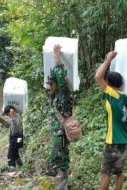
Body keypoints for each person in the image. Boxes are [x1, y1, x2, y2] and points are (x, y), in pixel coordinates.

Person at [95, 51, 127, 190]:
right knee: (119, 172)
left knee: (106, 173)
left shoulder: (112, 96)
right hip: (125, 141)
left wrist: (108, 58)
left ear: (109, 85)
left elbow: (98, 77)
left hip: (113, 141)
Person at [45, 44, 73, 190]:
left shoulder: (63, 95)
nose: (50, 87)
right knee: (60, 158)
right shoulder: (55, 97)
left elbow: (61, 79)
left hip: (61, 134)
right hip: (58, 134)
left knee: (61, 160)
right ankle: (62, 185)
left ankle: (63, 187)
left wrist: (57, 57)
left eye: (52, 84)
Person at [0, 103, 23, 168]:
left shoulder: (17, 117)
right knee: (15, 152)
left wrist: (12, 117)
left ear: (11, 111)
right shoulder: (15, 116)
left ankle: (12, 168)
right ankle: (20, 165)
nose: (7, 115)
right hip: (15, 138)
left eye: (7, 114)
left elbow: (18, 128)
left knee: (10, 154)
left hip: (17, 138)